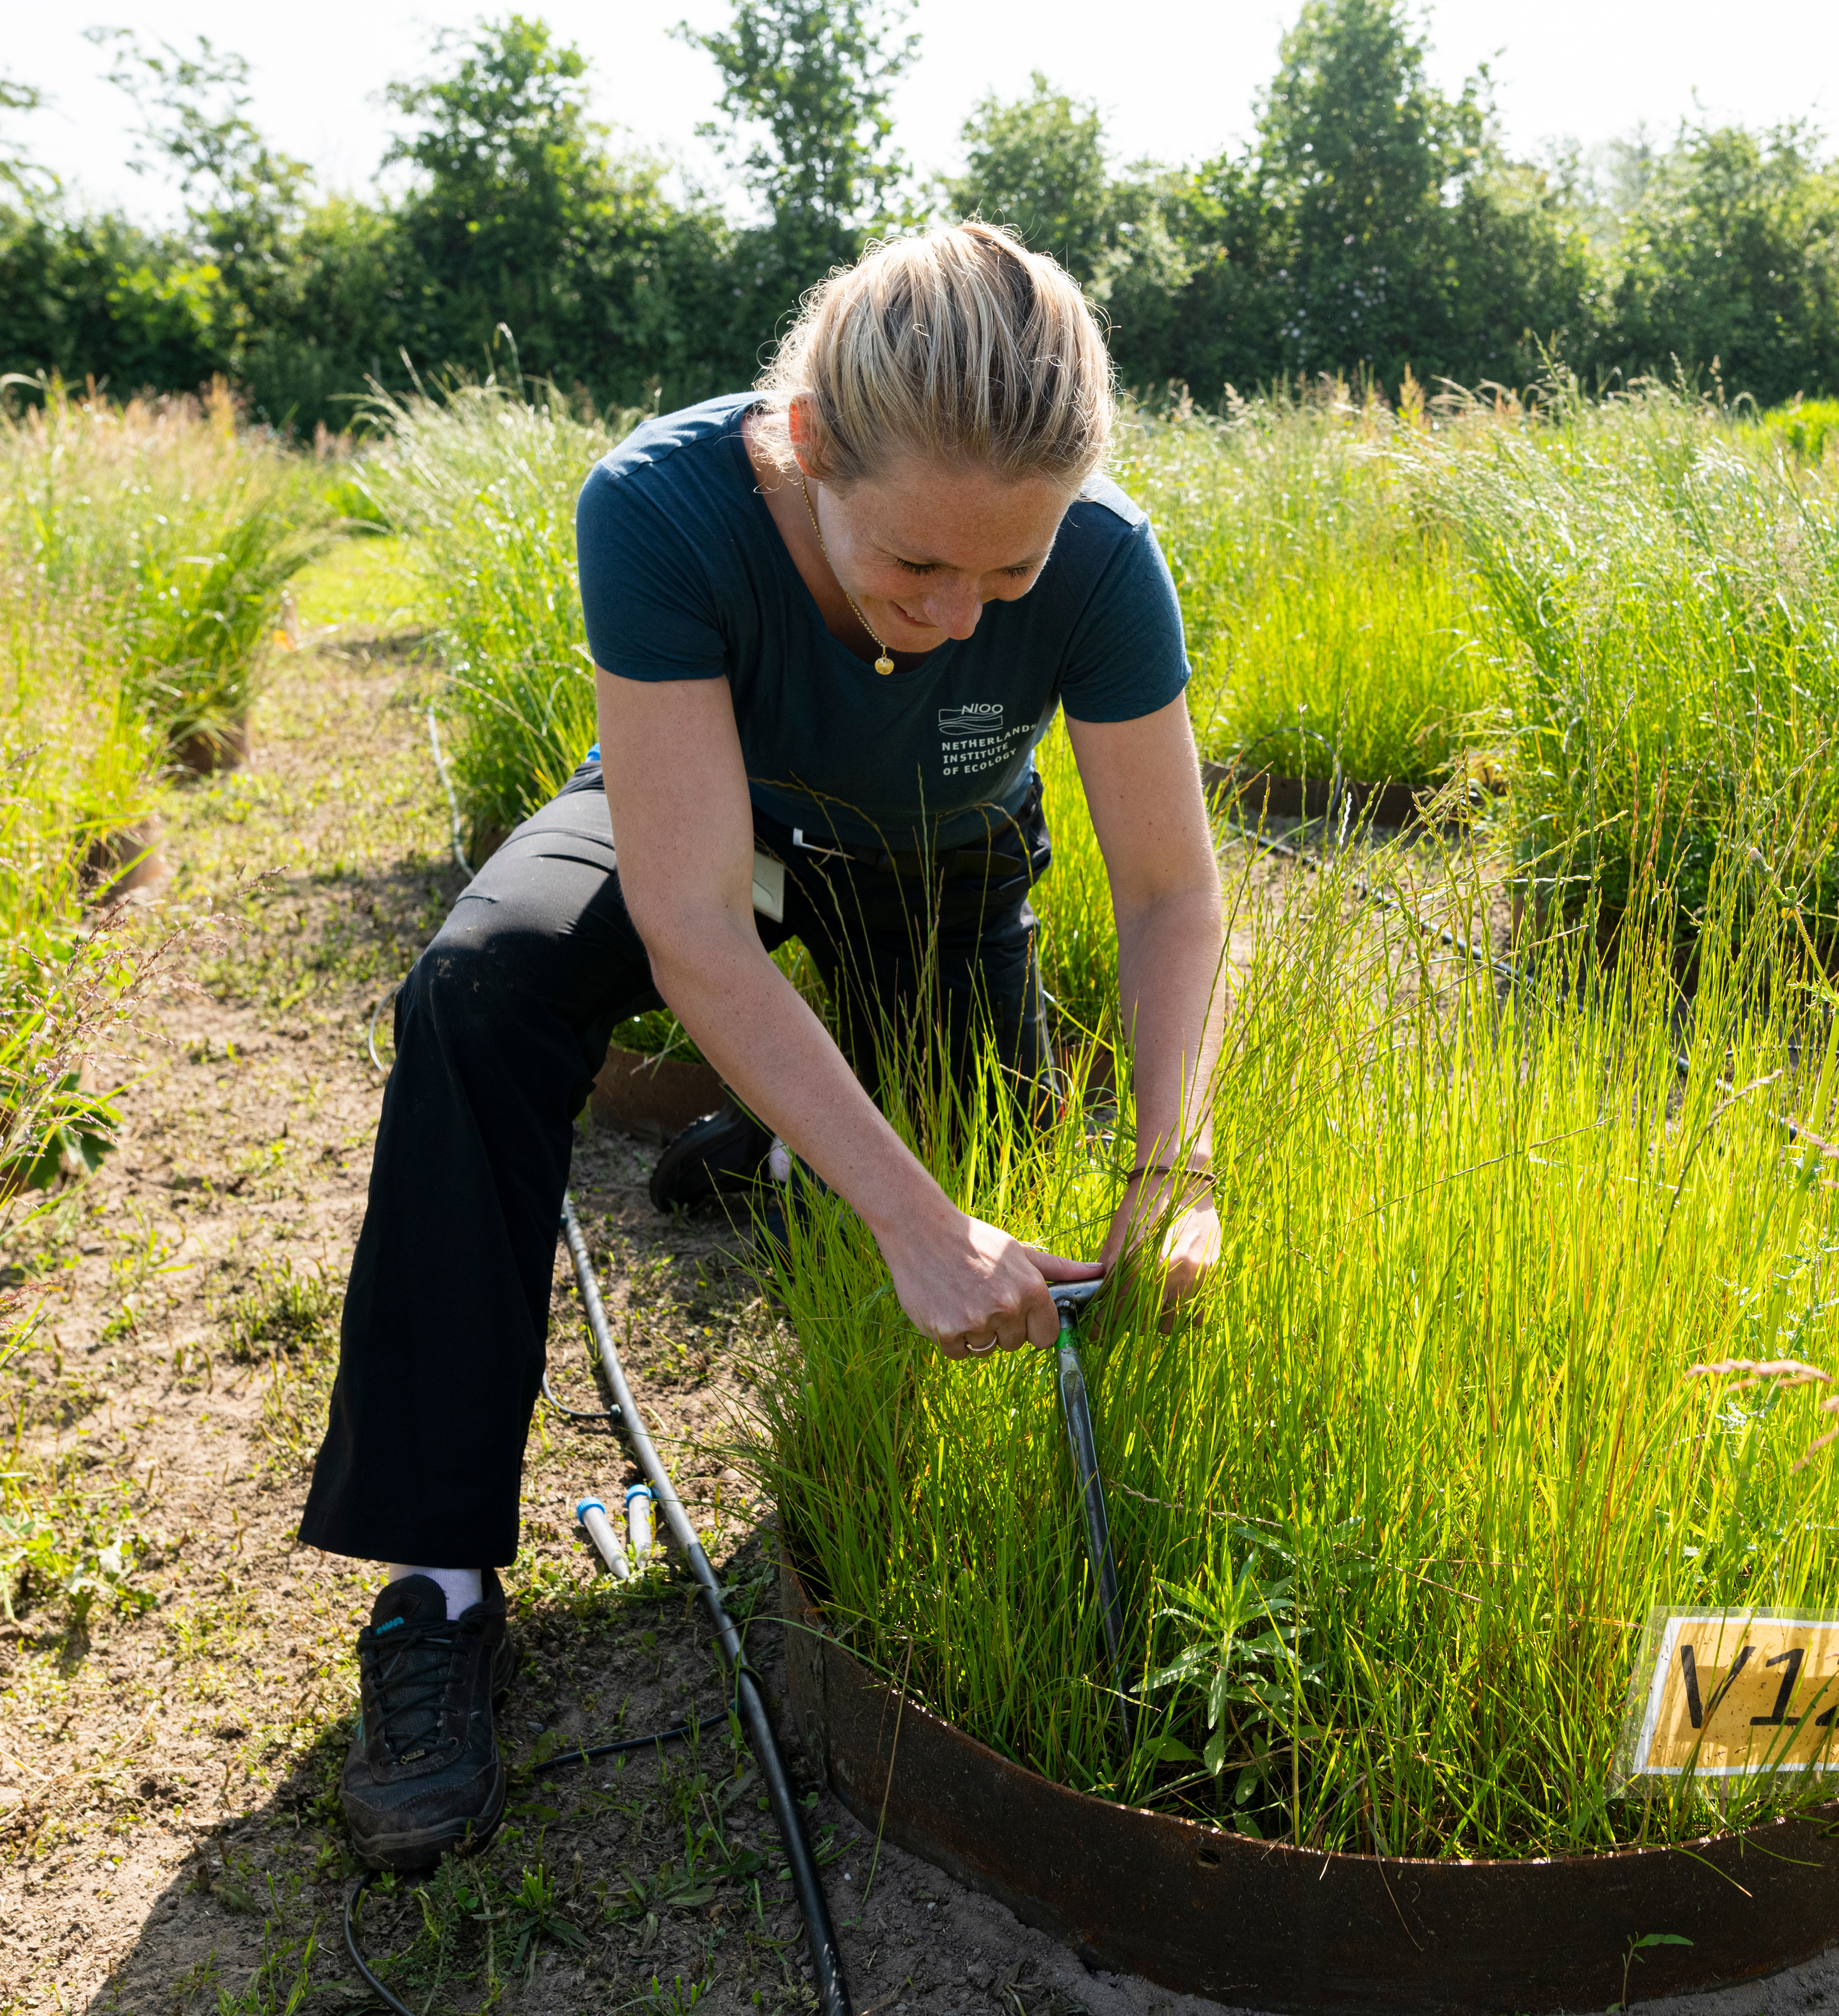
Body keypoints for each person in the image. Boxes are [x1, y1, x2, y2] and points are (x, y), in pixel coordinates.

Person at [296, 223, 1229, 1871]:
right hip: (713, 830)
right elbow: (695, 924)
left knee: (973, 1137)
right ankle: (437, 1594)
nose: (957, 618)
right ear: (807, 450)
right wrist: (919, 1227)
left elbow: (1167, 898)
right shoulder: (658, 509)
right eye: (915, 568)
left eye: (1005, 577)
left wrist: (1177, 1173)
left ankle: (794, 1137)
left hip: (938, 856)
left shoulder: (1103, 560)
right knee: (479, 993)